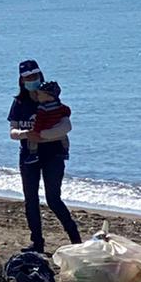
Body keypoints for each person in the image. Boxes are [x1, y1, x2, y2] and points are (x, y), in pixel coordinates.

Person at [8, 59, 82, 253]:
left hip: (53, 154)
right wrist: (25, 134)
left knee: (53, 199)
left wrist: (43, 136)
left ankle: (75, 239)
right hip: (28, 156)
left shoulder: (51, 99)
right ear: (21, 80)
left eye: (35, 76)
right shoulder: (19, 103)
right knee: (30, 200)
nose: (32, 80)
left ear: (40, 76)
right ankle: (37, 243)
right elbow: (13, 131)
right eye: (27, 78)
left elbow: (66, 126)